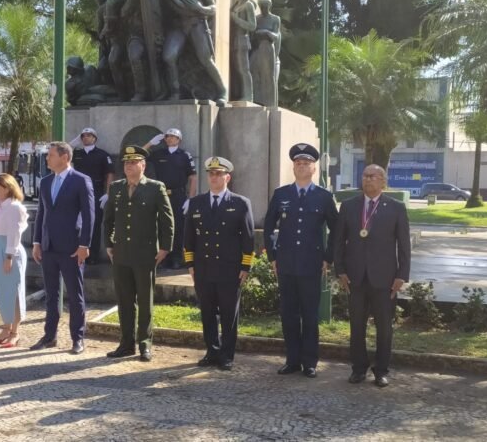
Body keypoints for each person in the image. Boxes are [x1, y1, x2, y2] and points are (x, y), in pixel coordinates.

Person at [263, 143, 338, 378]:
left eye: (306, 163)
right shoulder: (281, 194)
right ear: (293, 168)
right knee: (289, 314)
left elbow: (336, 230)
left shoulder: (324, 196)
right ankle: (292, 360)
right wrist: (273, 256)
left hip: (311, 264)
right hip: (286, 264)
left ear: (314, 168)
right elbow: (268, 227)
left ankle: (310, 362)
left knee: (309, 315)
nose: (302, 166)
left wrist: (328, 258)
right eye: (298, 163)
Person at [334, 164, 411, 388]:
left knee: (384, 327)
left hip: (385, 279)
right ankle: (358, 369)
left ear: (383, 181)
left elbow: (404, 245)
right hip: (355, 278)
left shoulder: (396, 208)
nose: (368, 180)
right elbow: (338, 241)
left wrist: (401, 275)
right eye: (365, 176)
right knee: (356, 326)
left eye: (373, 176)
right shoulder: (349, 206)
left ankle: (381, 370)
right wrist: (340, 270)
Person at [103, 145, 174, 362]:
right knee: (124, 301)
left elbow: (166, 220)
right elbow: (108, 219)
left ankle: (145, 344)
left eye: (133, 162)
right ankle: (126, 343)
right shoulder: (115, 188)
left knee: (144, 300)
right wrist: (108, 244)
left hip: (145, 254)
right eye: (126, 163)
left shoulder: (155, 188)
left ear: (143, 165)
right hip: (121, 253)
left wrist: (165, 247)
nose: (128, 166)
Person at [184, 157, 254, 371]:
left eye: (218, 174)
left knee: (228, 313)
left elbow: (248, 238)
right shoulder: (196, 203)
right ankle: (212, 351)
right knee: (207, 312)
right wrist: (190, 264)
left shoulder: (240, 203)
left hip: (229, 268)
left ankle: (226, 354)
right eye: (211, 174)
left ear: (227, 177)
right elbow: (188, 237)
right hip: (203, 268)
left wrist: (245, 267)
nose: (214, 177)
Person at [31, 141, 94, 355]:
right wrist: (37, 241)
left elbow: (89, 216)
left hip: (72, 247)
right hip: (49, 247)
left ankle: (77, 338)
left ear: (65, 157)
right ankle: (50, 336)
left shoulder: (81, 181)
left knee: (75, 295)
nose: (47, 159)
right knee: (51, 294)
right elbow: (42, 213)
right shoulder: (47, 181)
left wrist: (84, 244)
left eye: (50, 155)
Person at [159, 0, 227, 105]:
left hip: (197, 23)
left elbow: (214, 8)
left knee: (205, 59)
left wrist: (201, 9)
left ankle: (222, 91)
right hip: (178, 27)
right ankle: (175, 92)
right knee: (168, 56)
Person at [144, 128, 196, 269]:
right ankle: (163, 257)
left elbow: (192, 177)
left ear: (179, 140)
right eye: (167, 137)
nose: (170, 139)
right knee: (161, 226)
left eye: (173, 137)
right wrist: (151, 143)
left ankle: (177, 258)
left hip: (178, 195)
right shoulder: (159, 153)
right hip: (161, 195)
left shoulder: (185, 155)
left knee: (178, 227)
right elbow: (139, 154)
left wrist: (190, 198)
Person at [0, 174, 29, 348]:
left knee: (14, 292)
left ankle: (15, 332)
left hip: (8, 252)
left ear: (7, 188)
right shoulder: (1, 207)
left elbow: (15, 233)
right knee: (3, 291)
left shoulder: (14, 207)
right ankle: (6, 328)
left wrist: (9, 256)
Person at [72, 127, 114, 264]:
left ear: (94, 138)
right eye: (83, 136)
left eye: (89, 136)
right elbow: (61, 151)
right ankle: (75, 252)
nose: (85, 138)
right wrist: (74, 142)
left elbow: (110, 174)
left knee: (94, 224)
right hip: (76, 191)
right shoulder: (76, 153)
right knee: (76, 223)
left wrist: (107, 193)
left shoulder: (102, 155)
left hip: (95, 192)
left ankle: (92, 255)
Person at [250, 0, 281, 107]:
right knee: (254, 72)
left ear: (270, 5)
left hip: (268, 48)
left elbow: (276, 36)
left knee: (268, 75)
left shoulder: (275, 19)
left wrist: (266, 32)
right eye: (262, 6)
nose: (264, 8)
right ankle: (257, 99)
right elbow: (252, 35)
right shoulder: (257, 18)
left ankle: (270, 102)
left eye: (266, 6)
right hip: (257, 48)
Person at [230, 0, 256, 102]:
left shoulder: (248, 5)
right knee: (237, 69)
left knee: (244, 69)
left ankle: (248, 96)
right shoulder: (236, 5)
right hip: (234, 40)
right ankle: (238, 93)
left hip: (243, 39)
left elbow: (252, 26)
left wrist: (237, 19)